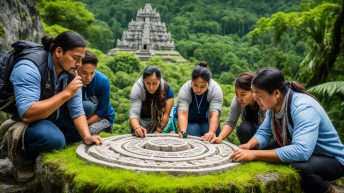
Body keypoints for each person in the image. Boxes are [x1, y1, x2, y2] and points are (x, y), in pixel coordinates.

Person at [230, 67, 344, 193]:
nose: (256, 99)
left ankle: (329, 190)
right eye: (254, 94)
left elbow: (301, 151)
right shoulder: (274, 105)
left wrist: (254, 154)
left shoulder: (303, 108)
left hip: (332, 159)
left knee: (298, 167)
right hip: (308, 151)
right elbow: (264, 132)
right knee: (262, 151)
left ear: (276, 94)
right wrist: (248, 146)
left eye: (259, 95)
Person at [9, 31, 103, 181]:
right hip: (24, 120)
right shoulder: (28, 67)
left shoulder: (71, 72)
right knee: (55, 140)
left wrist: (86, 136)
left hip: (49, 114)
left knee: (88, 108)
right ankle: (22, 159)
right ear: (59, 52)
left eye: (81, 59)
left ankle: (54, 137)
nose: (79, 64)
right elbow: (26, 114)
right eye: (75, 58)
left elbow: (77, 110)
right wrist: (66, 93)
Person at [210, 72, 265, 144]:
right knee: (244, 128)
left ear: (253, 91)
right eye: (237, 94)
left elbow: (268, 129)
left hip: (266, 134)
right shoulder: (237, 101)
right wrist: (220, 138)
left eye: (243, 94)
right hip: (250, 132)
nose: (239, 98)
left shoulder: (264, 102)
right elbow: (230, 122)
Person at [177, 61, 223, 139]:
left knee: (209, 133)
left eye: (203, 86)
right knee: (193, 132)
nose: (198, 90)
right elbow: (183, 113)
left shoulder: (215, 89)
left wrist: (211, 133)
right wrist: (183, 131)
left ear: (208, 83)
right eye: (195, 85)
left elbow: (214, 115)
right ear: (191, 81)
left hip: (207, 121)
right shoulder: (185, 89)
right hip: (190, 121)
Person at [129, 66, 174, 137]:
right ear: (143, 80)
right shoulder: (137, 88)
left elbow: (166, 115)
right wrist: (137, 128)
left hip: (159, 121)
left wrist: (158, 131)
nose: (151, 87)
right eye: (148, 83)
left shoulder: (166, 89)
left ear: (159, 80)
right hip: (141, 119)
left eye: (155, 83)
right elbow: (134, 113)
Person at [78, 50, 115, 135]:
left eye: (92, 73)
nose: (88, 78)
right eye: (84, 73)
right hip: (82, 116)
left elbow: (103, 111)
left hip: (103, 118)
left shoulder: (102, 81)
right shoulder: (71, 79)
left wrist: (81, 126)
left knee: (89, 131)